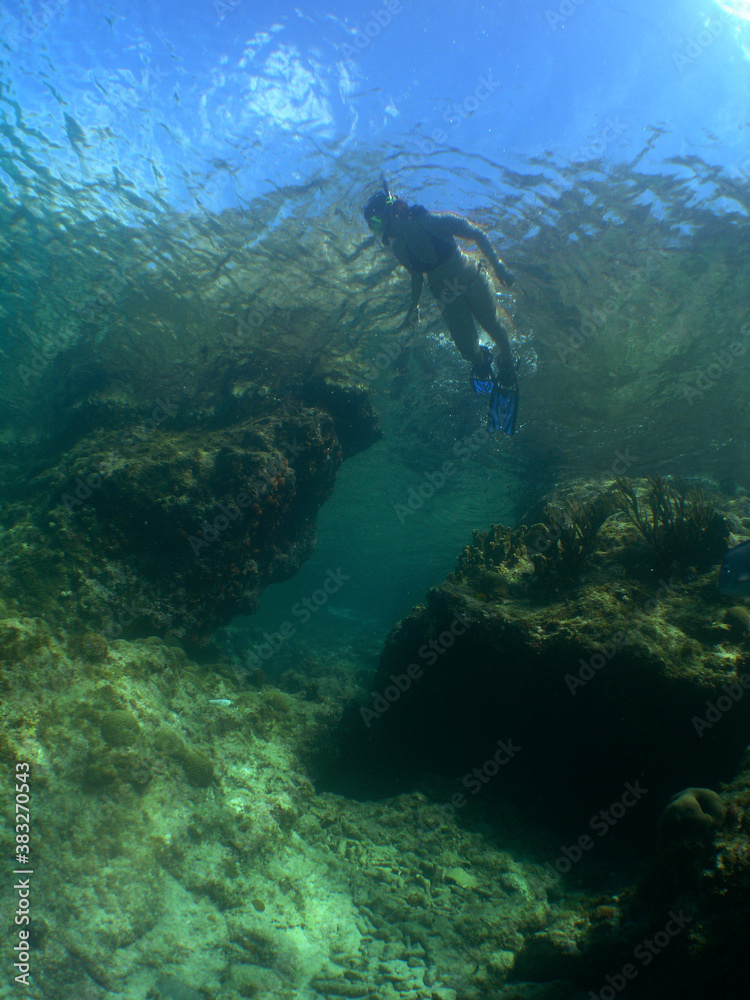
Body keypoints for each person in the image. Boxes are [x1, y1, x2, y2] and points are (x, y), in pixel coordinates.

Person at [363, 183, 519, 434]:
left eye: (377, 224)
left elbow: (476, 234)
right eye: (374, 228)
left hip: (473, 279)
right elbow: (416, 276)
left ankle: (509, 361)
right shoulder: (399, 248)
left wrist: (499, 267)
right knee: (467, 350)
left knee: (492, 326)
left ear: (393, 212)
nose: (379, 232)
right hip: (447, 298)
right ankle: (482, 360)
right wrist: (412, 309)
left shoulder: (435, 221)